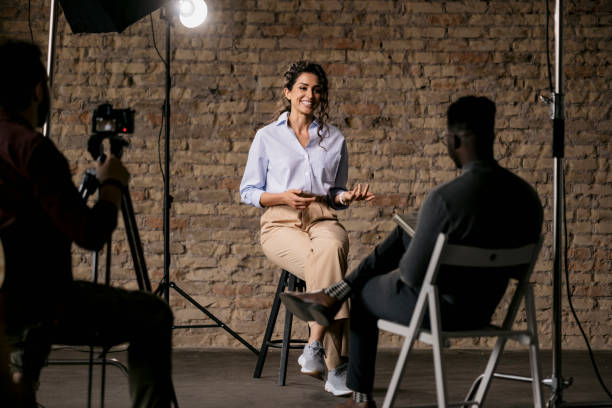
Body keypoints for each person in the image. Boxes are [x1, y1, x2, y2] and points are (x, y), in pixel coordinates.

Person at [280, 96, 544, 407]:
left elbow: (413, 275)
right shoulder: (526, 196)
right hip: (486, 309)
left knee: (363, 292)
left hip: (439, 312)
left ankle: (360, 397)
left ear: (455, 139)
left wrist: (419, 251)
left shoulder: (445, 200)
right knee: (408, 232)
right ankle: (334, 292)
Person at [0, 39, 174, 408]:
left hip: (10, 302)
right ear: (36, 89)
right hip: (45, 303)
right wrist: (111, 184)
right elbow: (90, 234)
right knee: (154, 313)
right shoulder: (32, 149)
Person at [240, 61, 375, 396]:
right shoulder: (267, 137)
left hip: (322, 218)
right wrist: (282, 196)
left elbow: (334, 193)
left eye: (316, 89)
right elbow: (248, 192)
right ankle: (335, 368)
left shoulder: (334, 139)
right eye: (302, 88)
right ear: (288, 92)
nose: (310, 95)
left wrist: (346, 196)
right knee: (333, 272)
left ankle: (313, 344)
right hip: (280, 221)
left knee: (330, 248)